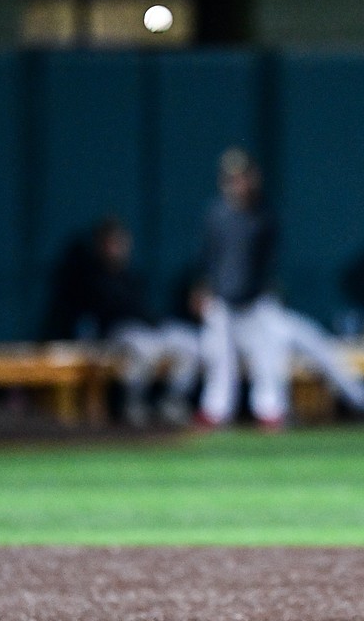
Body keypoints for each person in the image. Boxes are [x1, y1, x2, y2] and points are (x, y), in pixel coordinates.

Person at [66, 217, 201, 428]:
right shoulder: (92, 276)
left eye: (121, 242)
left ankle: (173, 401)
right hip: (117, 332)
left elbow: (143, 309)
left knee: (188, 342)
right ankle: (134, 403)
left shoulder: (129, 274)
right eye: (113, 242)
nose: (118, 248)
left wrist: (153, 322)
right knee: (145, 347)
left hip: (146, 328)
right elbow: (107, 313)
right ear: (102, 245)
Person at [194, 147, 292, 431]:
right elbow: (207, 257)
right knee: (218, 361)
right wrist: (202, 287)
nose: (237, 183)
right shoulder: (215, 213)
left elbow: (266, 263)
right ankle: (215, 410)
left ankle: (269, 409)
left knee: (267, 358)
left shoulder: (263, 214)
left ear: (253, 178)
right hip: (222, 299)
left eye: (242, 177)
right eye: (231, 178)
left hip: (256, 300)